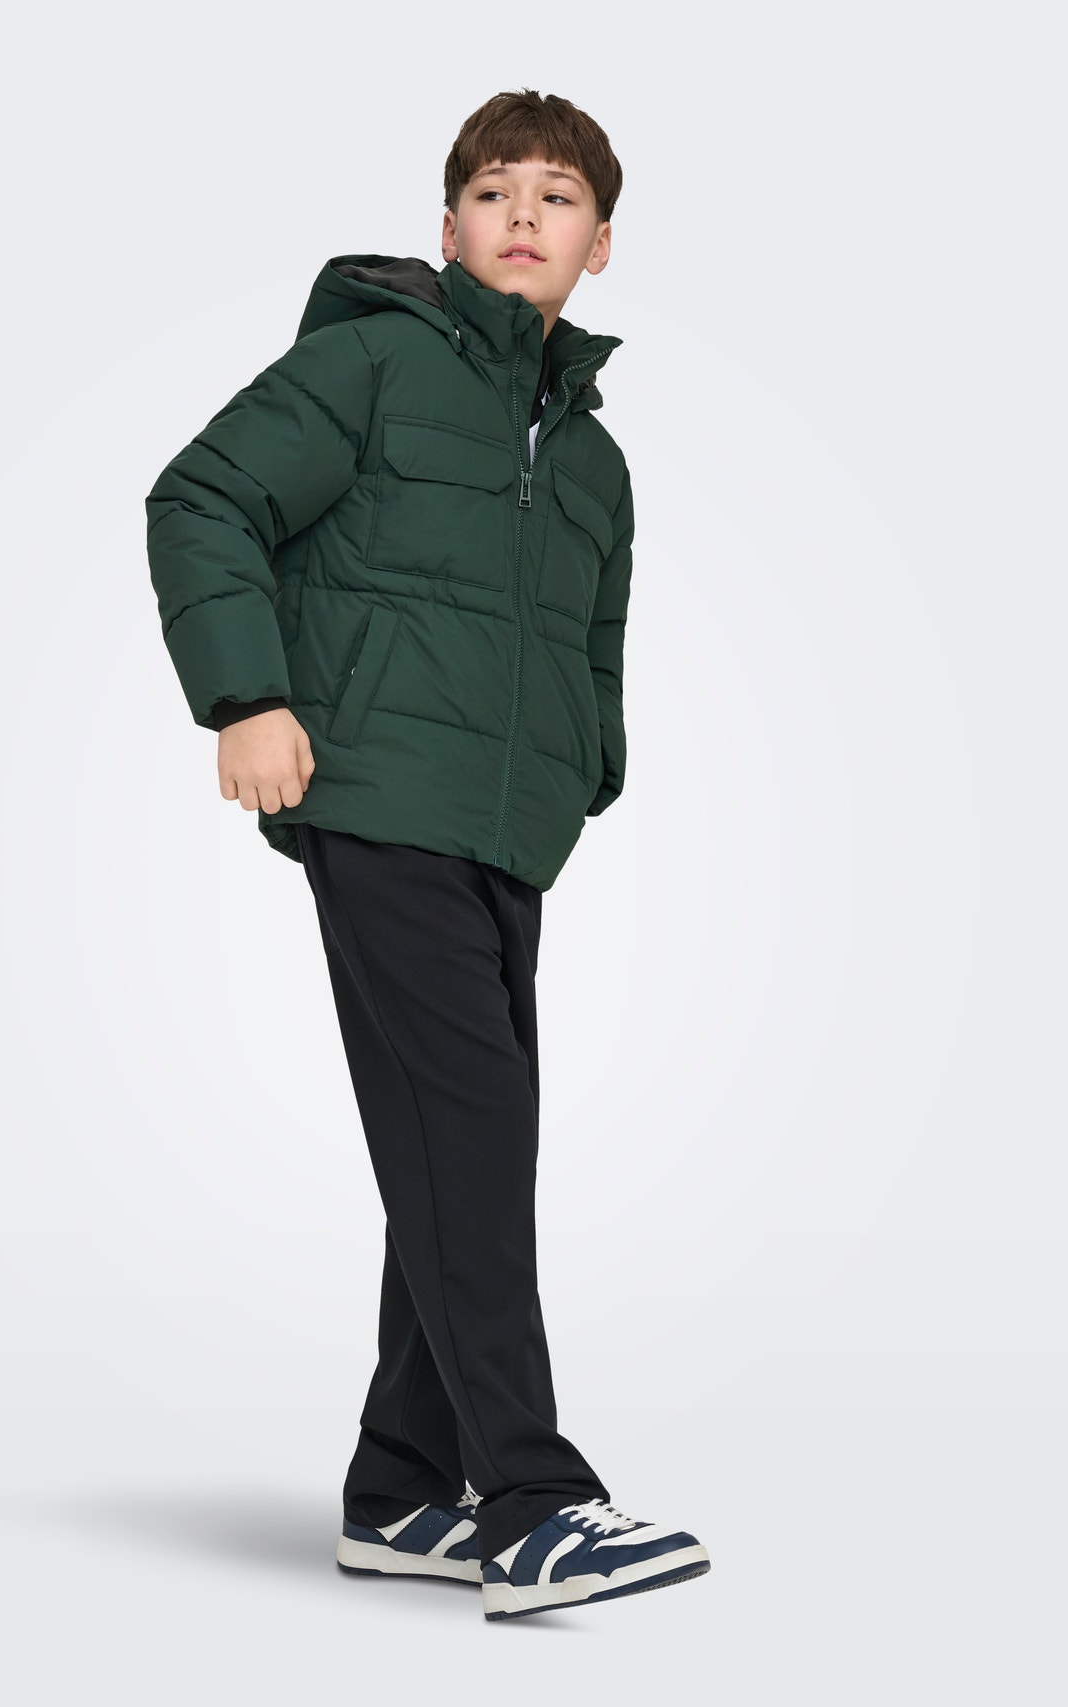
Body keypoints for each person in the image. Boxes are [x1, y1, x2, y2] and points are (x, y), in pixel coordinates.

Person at [145, 88, 710, 1621]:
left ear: (601, 246)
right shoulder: (374, 364)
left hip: (502, 838)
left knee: (462, 1146)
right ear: (447, 225)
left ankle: (400, 1486)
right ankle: (531, 1501)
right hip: (380, 801)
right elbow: (204, 496)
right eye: (494, 190)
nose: (524, 214)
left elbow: (593, 644)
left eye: (558, 197)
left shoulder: (595, 465)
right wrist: (248, 698)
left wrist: (585, 772)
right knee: (470, 1132)